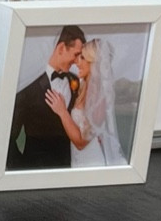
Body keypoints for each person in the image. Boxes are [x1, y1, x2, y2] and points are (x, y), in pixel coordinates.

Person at [8, 24, 86, 169]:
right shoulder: (29, 86)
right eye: (76, 54)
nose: (77, 61)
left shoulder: (75, 81)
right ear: (61, 48)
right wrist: (19, 167)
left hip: (66, 168)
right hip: (34, 168)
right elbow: (11, 135)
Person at [45, 34, 128, 167]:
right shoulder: (84, 89)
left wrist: (62, 112)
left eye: (82, 57)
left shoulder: (100, 97)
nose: (77, 61)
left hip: (92, 163)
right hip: (77, 161)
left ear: (94, 62)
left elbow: (81, 142)